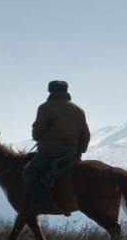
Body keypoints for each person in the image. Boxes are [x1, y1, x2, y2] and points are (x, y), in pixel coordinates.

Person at [26, 79, 89, 213]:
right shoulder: (79, 110)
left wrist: (36, 130)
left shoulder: (45, 107)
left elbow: (37, 134)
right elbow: (85, 135)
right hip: (71, 155)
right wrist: (79, 152)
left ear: (50, 91)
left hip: (49, 153)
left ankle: (40, 204)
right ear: (66, 91)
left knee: (29, 172)